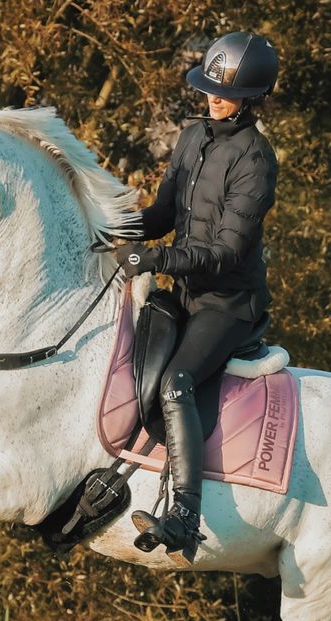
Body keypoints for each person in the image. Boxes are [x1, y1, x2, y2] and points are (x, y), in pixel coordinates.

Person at [112, 31, 279, 565]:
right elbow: (164, 215)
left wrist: (155, 260)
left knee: (177, 380)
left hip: (228, 303)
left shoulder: (256, 158)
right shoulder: (191, 137)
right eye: (209, 87)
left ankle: (183, 516)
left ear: (252, 98)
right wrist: (114, 228)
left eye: (225, 92)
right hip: (184, 292)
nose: (213, 97)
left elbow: (227, 251)